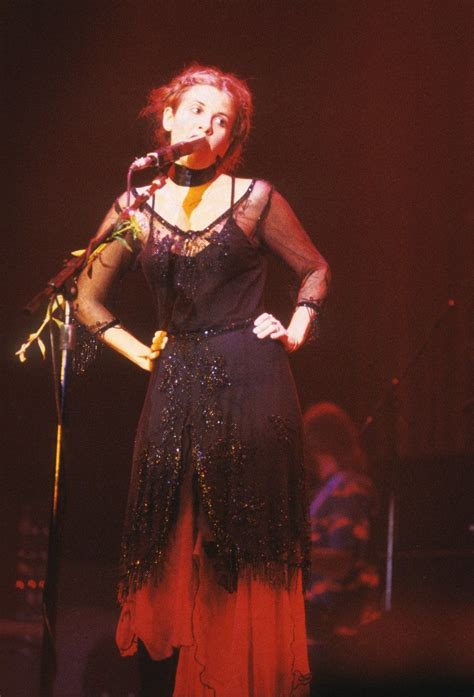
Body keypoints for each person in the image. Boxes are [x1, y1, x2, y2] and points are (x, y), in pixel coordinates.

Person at [73, 64, 330, 697]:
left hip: (252, 381)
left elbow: (315, 269)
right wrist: (138, 352)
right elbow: (86, 296)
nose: (206, 127)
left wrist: (297, 325)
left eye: (222, 122)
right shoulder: (135, 205)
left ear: (230, 138)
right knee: (165, 543)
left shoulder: (255, 198)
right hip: (175, 383)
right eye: (195, 112)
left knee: (235, 546)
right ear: (167, 119)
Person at [303, 402, 381, 695]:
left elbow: (342, 560)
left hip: (337, 634)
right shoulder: (327, 490)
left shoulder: (348, 486)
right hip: (320, 632)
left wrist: (283, 556)